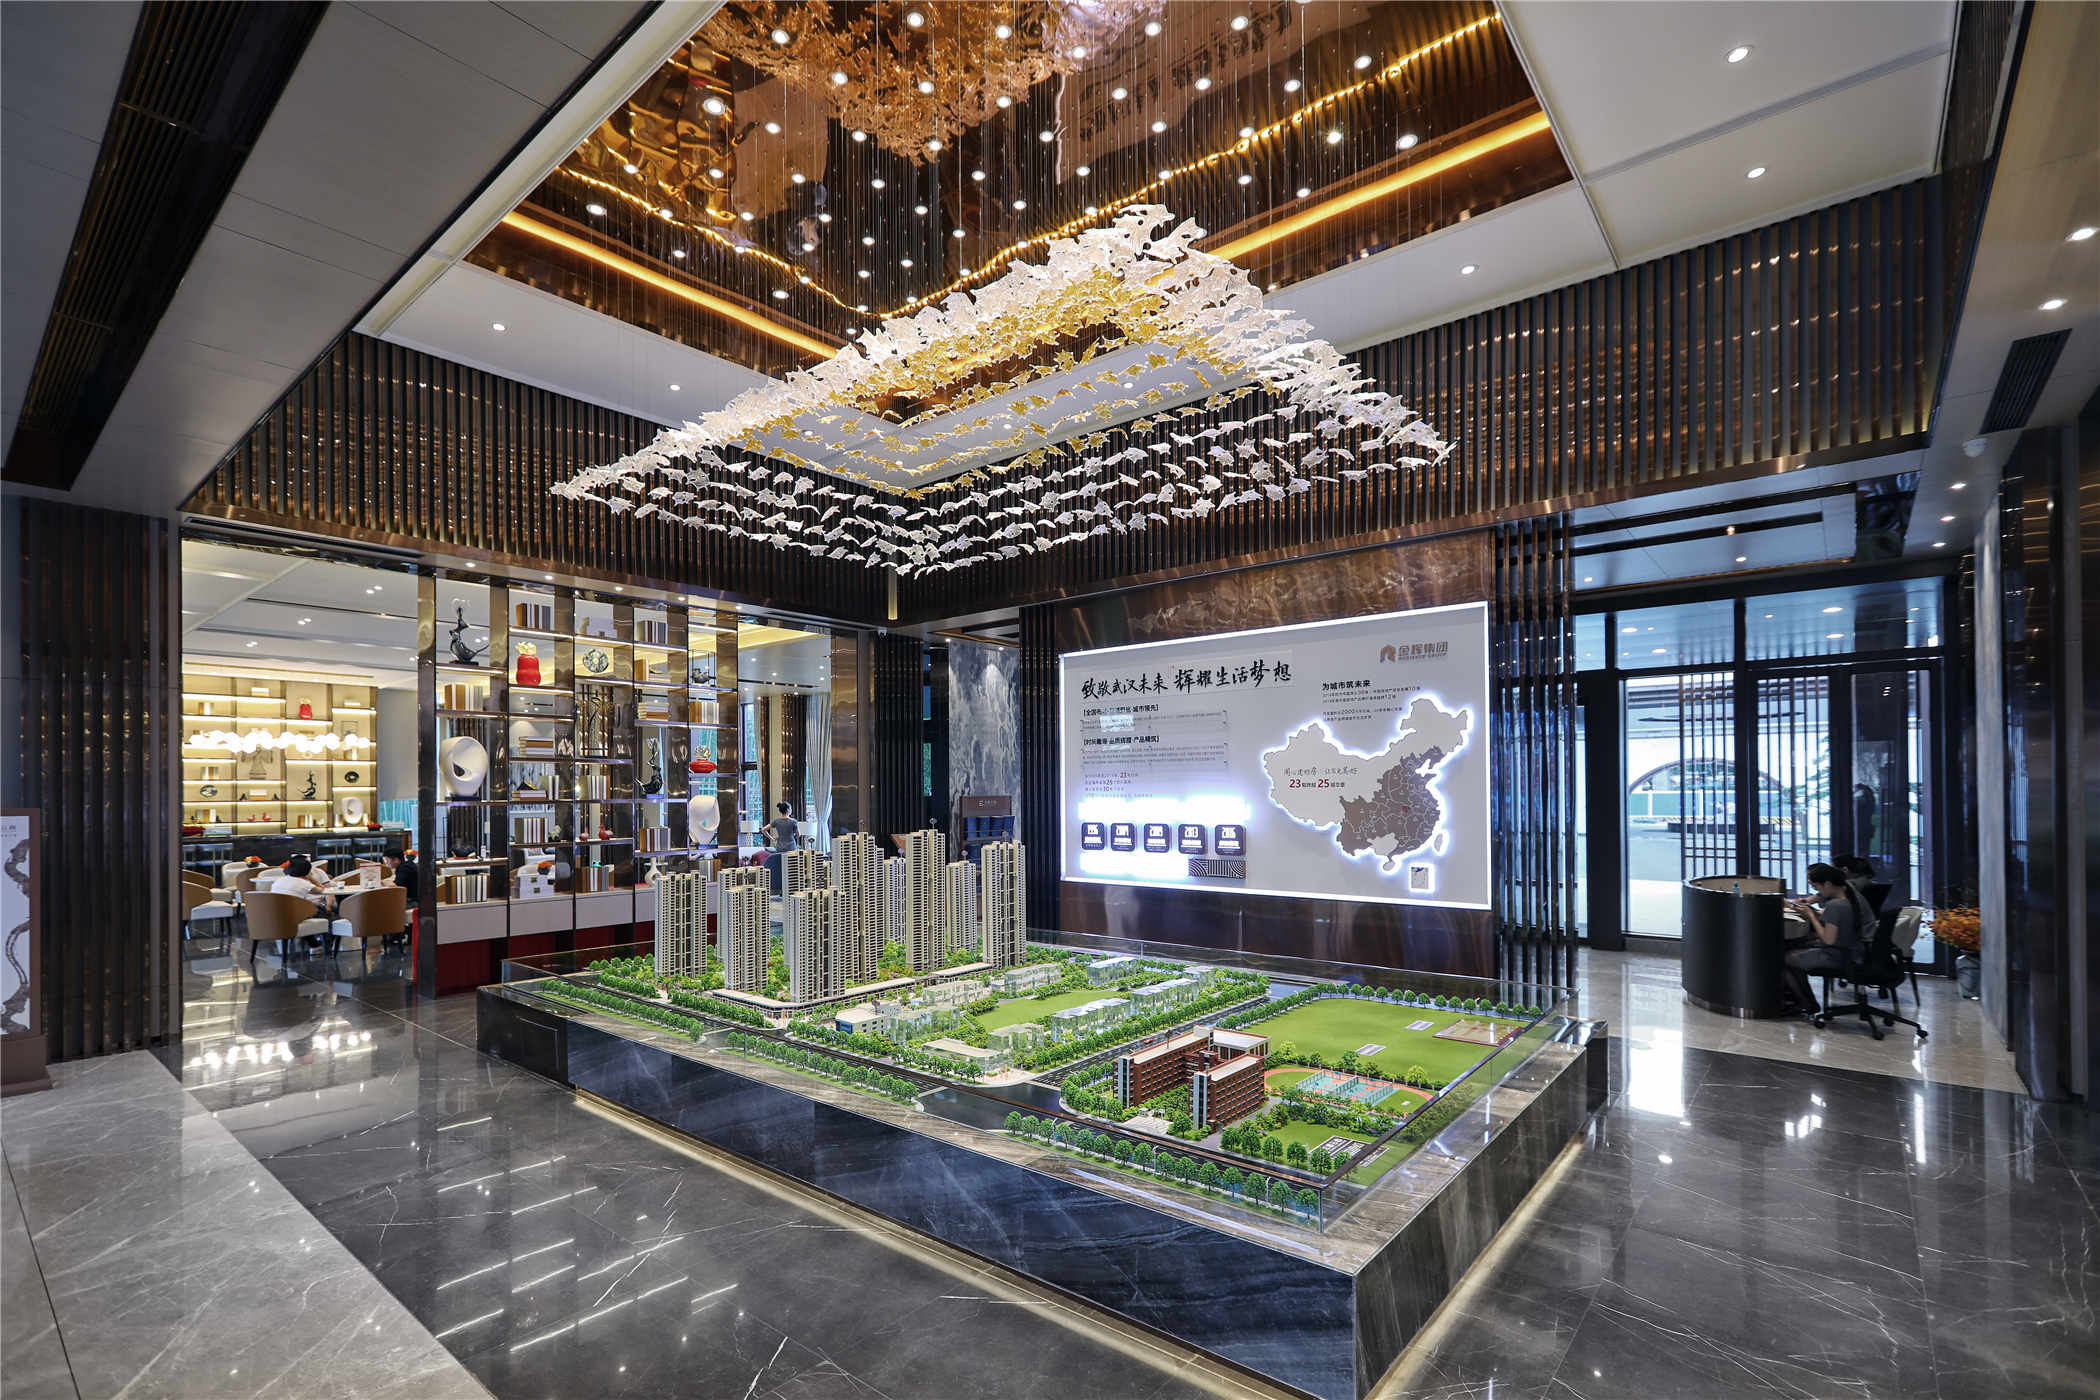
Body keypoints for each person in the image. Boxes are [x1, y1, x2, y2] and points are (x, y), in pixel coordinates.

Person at [1782, 863, 1874, 1016]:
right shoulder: (1850, 897)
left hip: (1840, 956)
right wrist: (1812, 914)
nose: (1818, 892)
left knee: (1784, 958)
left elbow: (1828, 940)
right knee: (1797, 946)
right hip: (1856, 952)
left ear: (1828, 884)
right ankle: (1802, 1001)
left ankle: (1806, 1003)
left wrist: (1811, 916)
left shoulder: (1835, 905)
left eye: (1817, 887)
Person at [383, 849, 419, 949]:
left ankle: (396, 935)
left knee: (384, 907)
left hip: (413, 901)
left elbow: (396, 887)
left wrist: (383, 882)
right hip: (416, 899)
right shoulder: (407, 866)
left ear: (396, 860)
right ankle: (397, 934)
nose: (386, 864)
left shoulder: (404, 868)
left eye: (387, 861)